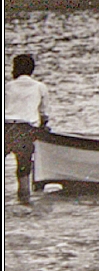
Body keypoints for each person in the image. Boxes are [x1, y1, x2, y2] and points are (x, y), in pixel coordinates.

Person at [5, 54, 50, 204]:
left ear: (15, 69)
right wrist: (43, 128)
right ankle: (24, 202)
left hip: (6, 128)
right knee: (23, 170)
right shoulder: (40, 87)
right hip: (25, 129)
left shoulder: (7, 86)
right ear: (32, 70)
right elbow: (44, 114)